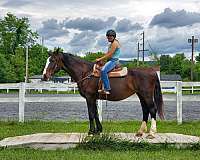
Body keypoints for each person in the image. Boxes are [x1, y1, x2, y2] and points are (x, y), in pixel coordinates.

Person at [96, 29, 121, 94]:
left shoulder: (115, 43)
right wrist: (102, 59)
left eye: (110, 36)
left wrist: (100, 59)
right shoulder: (111, 44)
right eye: (108, 36)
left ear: (114, 37)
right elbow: (107, 53)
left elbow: (110, 54)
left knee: (103, 71)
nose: (109, 37)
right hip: (110, 60)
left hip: (113, 61)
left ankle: (107, 88)